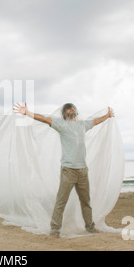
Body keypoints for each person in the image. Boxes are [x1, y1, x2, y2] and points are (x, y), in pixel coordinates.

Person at [13, 102, 114, 238]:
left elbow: (95, 121)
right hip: (69, 170)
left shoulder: (82, 125)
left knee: (86, 201)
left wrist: (107, 116)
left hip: (83, 170)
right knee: (61, 201)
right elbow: (44, 119)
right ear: (65, 113)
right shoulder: (61, 124)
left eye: (72, 107)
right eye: (68, 109)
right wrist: (28, 113)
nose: (71, 109)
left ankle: (90, 227)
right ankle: (55, 229)